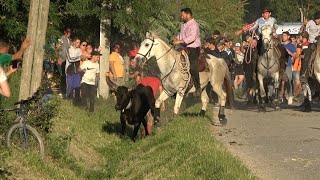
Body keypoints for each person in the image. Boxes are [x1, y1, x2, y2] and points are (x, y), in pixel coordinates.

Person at [173, 7, 201, 96]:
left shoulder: (194, 25)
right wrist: (176, 38)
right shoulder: (183, 25)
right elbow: (181, 35)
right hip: (184, 48)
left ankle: (198, 86)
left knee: (192, 66)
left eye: (182, 15)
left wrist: (180, 41)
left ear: (188, 14)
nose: (181, 17)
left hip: (193, 48)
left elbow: (192, 38)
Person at [66, 37, 83, 104]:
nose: (78, 44)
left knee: (77, 86)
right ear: (73, 42)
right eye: (77, 42)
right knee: (70, 85)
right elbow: (70, 59)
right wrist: (79, 57)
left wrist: (79, 57)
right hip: (70, 70)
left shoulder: (79, 50)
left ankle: (77, 100)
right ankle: (68, 98)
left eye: (79, 42)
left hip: (77, 71)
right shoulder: (69, 49)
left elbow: (80, 57)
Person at [281, 31, 297, 105]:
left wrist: (288, 52)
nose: (283, 37)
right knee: (280, 82)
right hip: (281, 66)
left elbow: (295, 56)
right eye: (283, 35)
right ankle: (281, 96)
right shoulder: (280, 46)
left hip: (288, 65)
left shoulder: (291, 46)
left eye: (284, 35)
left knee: (288, 81)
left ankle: (290, 96)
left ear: (288, 37)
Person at [57, 27, 72, 98]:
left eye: (69, 32)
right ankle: (59, 91)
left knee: (65, 76)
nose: (68, 33)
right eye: (67, 32)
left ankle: (64, 90)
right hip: (61, 60)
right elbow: (57, 49)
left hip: (68, 61)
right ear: (64, 32)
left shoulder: (70, 41)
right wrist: (58, 58)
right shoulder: (61, 39)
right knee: (61, 75)